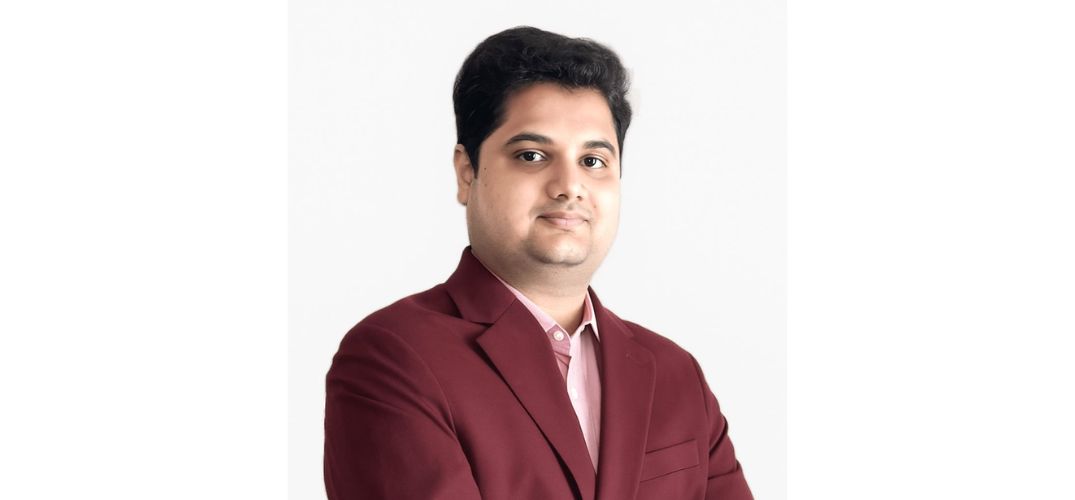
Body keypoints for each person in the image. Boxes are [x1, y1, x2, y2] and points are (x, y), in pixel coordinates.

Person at [324, 26, 753, 500]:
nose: (569, 186)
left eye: (593, 161)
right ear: (467, 173)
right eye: (532, 155)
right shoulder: (395, 357)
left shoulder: (675, 373)